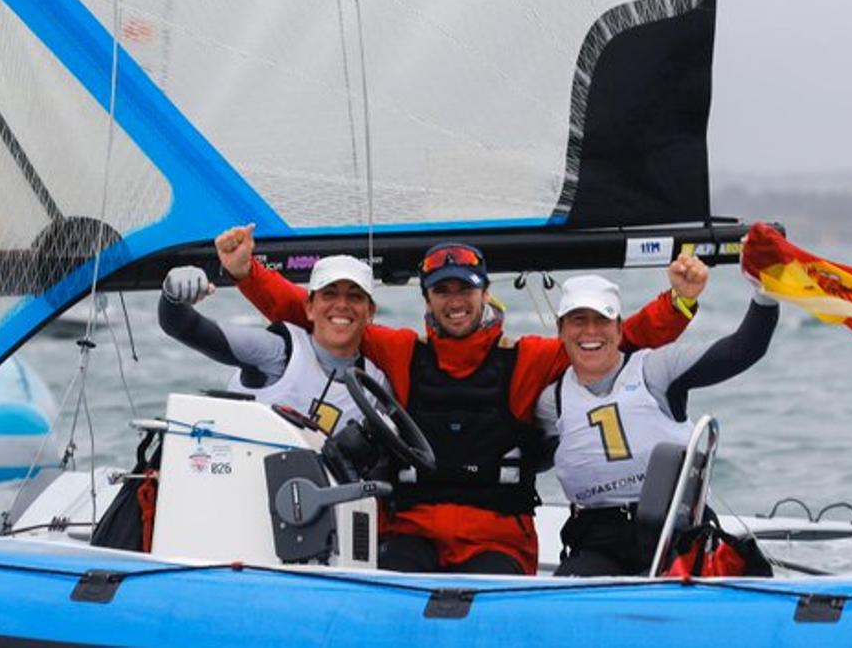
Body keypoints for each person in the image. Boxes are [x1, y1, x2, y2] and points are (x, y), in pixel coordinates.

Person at [215, 223, 707, 575]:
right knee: (390, 583)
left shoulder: (529, 358)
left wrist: (678, 301)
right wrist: (246, 273)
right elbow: (320, 319)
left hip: (499, 536)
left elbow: (619, 341)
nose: (455, 300)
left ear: (484, 292)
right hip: (412, 530)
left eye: (465, 289)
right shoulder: (402, 350)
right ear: (426, 299)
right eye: (442, 290)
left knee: (492, 598)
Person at [536, 271, 778, 576]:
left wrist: (765, 293)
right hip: (597, 540)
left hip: (674, 530)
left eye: (602, 320)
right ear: (560, 330)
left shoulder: (655, 370)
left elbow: (741, 351)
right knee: (566, 597)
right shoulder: (550, 402)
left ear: (620, 328)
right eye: (578, 321)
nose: (591, 332)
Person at [158, 254, 388, 436]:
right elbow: (183, 327)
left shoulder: (376, 384)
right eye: (329, 294)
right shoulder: (277, 352)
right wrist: (172, 295)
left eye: (355, 297)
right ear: (309, 307)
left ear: (370, 312)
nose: (342, 305)